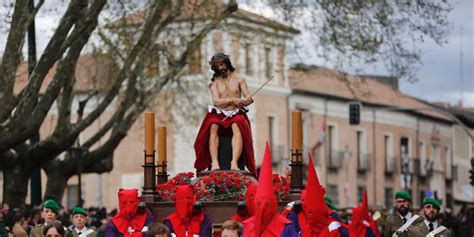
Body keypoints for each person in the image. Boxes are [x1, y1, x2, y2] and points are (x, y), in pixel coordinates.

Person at [194, 53, 257, 176]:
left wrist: (246, 101)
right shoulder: (214, 83)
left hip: (235, 112)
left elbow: (248, 97)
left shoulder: (239, 79)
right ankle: (214, 161)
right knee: (212, 125)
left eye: (222, 64)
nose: (220, 67)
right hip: (219, 112)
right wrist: (232, 100)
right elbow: (216, 101)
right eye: (217, 66)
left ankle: (234, 162)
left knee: (237, 124)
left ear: (227, 63)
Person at [242, 143, 297, 236]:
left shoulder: (286, 226)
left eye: (267, 204)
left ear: (273, 204)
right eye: (259, 203)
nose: (263, 207)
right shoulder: (247, 225)